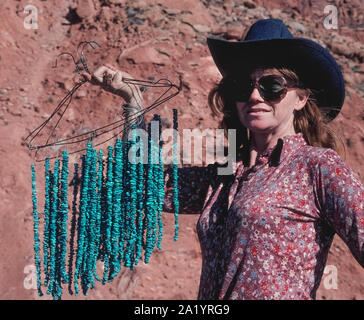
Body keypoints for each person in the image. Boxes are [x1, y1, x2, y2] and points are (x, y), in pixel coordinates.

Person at [83, 19, 364, 300]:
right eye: (243, 86)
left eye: (272, 85)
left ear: (301, 98)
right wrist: (133, 100)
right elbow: (146, 186)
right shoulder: (225, 172)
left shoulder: (317, 167)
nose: (255, 95)